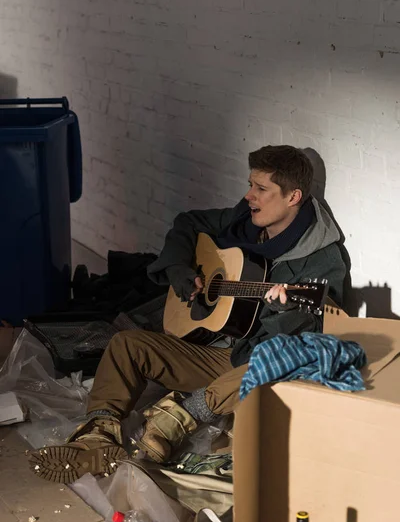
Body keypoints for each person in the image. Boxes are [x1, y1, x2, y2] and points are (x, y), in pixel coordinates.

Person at [29, 144, 346, 483]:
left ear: (293, 196)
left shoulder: (323, 261)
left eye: (261, 189)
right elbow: (189, 223)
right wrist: (180, 268)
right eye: (250, 184)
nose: (249, 195)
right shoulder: (245, 221)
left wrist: (282, 311)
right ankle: (98, 437)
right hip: (211, 348)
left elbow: (319, 335)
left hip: (248, 364)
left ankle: (177, 418)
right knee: (126, 344)